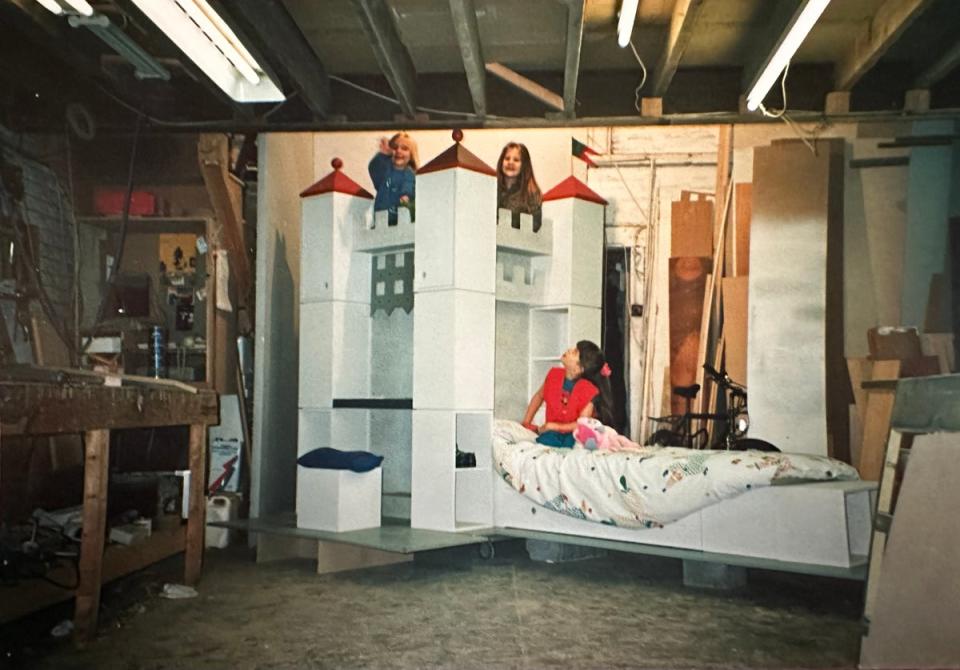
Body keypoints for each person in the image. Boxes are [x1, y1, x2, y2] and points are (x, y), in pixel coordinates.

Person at [521, 340, 614, 448]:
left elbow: (581, 424)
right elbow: (538, 397)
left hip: (574, 433)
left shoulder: (588, 391)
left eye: (574, 352)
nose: (569, 350)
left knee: (577, 443)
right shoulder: (553, 375)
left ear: (579, 369)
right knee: (544, 440)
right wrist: (526, 422)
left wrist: (554, 426)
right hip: (551, 433)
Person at [368, 131, 419, 226]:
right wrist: (382, 154)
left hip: (399, 218)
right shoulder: (386, 172)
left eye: (404, 148)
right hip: (381, 218)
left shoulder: (409, 173)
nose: (398, 151)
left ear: (411, 155)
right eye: (395, 148)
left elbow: (409, 184)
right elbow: (374, 168)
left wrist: (406, 195)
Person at [496, 142, 543, 232]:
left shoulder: (531, 194)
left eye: (516, 160)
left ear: (524, 165)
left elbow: (535, 225)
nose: (510, 162)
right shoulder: (492, 188)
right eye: (507, 158)